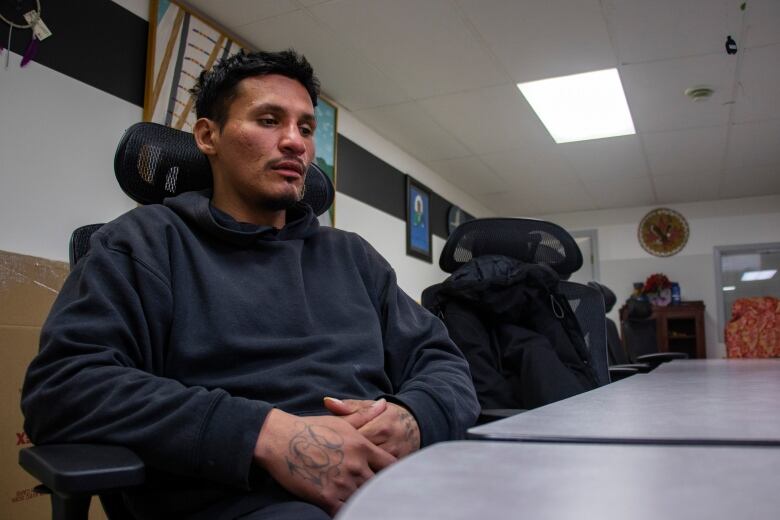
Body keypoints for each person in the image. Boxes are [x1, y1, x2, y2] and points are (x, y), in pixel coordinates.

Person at [21, 50, 479, 520]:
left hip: (392, 487)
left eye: (304, 128)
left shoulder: (352, 256)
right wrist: (263, 434)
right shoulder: (144, 242)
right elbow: (63, 387)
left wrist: (415, 415)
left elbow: (444, 363)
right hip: (241, 500)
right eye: (268, 120)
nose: (295, 142)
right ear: (208, 136)